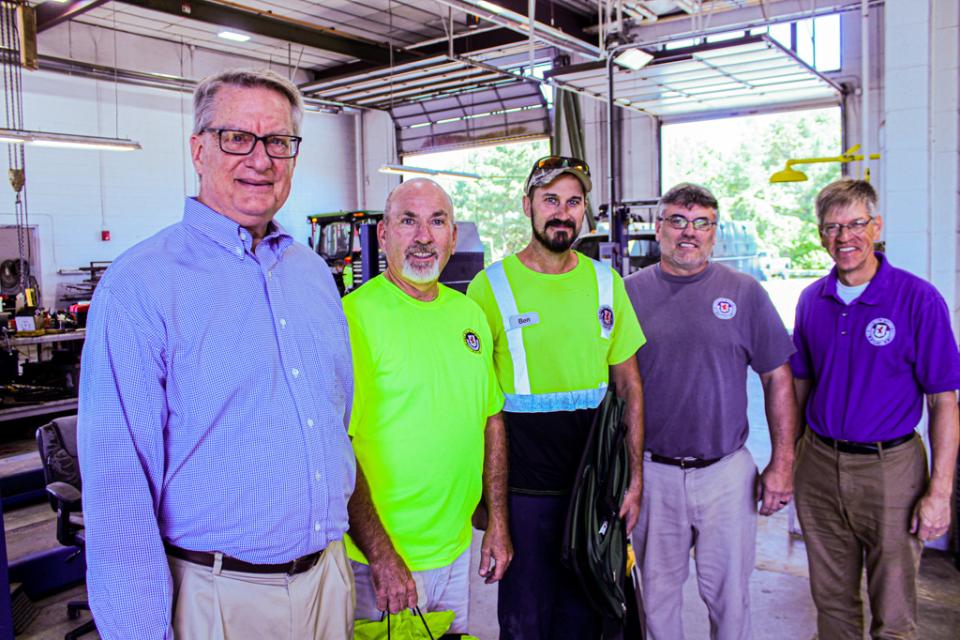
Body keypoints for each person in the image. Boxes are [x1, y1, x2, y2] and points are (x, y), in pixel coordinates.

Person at [78, 68, 356, 639]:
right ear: (198, 149)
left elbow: (335, 418)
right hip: (218, 598)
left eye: (279, 141)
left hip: (329, 581)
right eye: (238, 138)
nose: (261, 159)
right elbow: (118, 488)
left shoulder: (313, 275)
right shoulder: (140, 285)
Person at [467, 155, 646, 638]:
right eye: (550, 200)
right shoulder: (491, 287)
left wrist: (633, 480)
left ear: (585, 210)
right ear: (528, 205)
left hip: (594, 489)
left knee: (588, 617)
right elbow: (481, 407)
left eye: (574, 201)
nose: (562, 212)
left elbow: (629, 386)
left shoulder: (607, 283)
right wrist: (491, 509)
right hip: (526, 494)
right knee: (525, 622)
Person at [624, 182, 798, 640]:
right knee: (655, 600)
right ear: (658, 229)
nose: (689, 233)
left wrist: (782, 463)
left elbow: (776, 377)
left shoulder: (744, 292)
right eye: (678, 221)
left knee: (730, 598)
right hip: (652, 472)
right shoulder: (627, 295)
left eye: (702, 223)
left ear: (714, 232)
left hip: (726, 474)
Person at [791, 179, 960, 639]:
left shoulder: (917, 299)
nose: (845, 237)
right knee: (832, 605)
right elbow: (801, 383)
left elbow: (944, 400)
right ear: (820, 235)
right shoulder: (812, 301)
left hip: (892, 469)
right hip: (820, 465)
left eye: (856, 224)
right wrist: (791, 460)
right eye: (832, 227)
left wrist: (940, 492)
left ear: (876, 226)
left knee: (894, 611)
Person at [343, 178, 510, 634]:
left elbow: (490, 419)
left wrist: (496, 519)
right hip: (382, 561)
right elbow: (339, 445)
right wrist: (381, 555)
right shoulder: (353, 318)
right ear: (383, 234)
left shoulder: (469, 315)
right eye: (408, 221)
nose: (423, 236)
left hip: (456, 551)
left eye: (437, 222)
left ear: (453, 237)